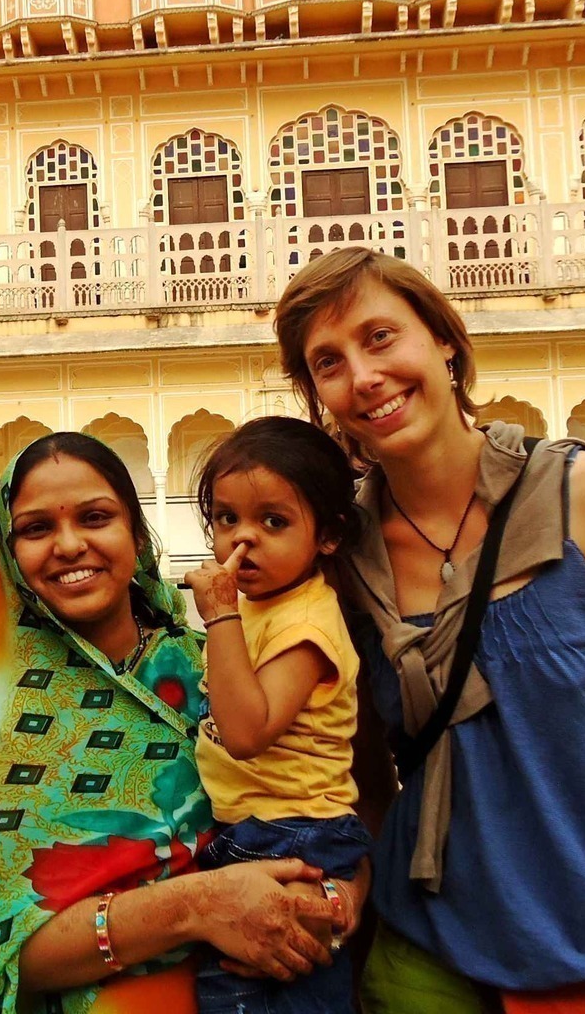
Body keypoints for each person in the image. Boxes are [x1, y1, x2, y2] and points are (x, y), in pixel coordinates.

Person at [274, 247, 585, 1014]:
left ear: (444, 341)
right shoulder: (342, 556)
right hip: (426, 953)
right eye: (329, 362)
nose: (363, 377)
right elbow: (359, 775)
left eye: (380, 337)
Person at [0, 431, 348, 1014]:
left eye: (96, 517)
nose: (70, 545)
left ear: (136, 535)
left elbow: (331, 806)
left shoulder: (215, 667)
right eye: (37, 528)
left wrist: (331, 903)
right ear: (7, 551)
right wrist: (197, 905)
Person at [183, 416, 369, 1014]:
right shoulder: (263, 609)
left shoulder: (306, 624)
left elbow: (245, 733)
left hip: (294, 837)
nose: (242, 541)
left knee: (254, 994)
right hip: (259, 830)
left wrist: (218, 616)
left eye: (274, 522)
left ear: (329, 536)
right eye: (226, 519)